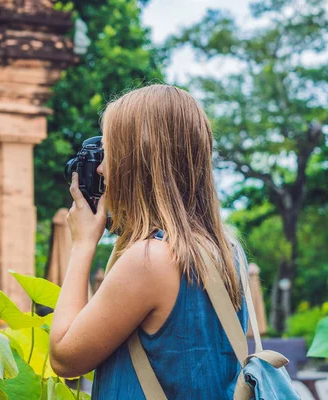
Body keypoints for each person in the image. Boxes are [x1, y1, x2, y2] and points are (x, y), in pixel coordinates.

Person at [49, 85, 248, 399]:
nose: (100, 168)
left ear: (134, 162)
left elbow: (64, 357)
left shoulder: (149, 261)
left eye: (109, 152)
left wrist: (83, 244)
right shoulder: (229, 251)